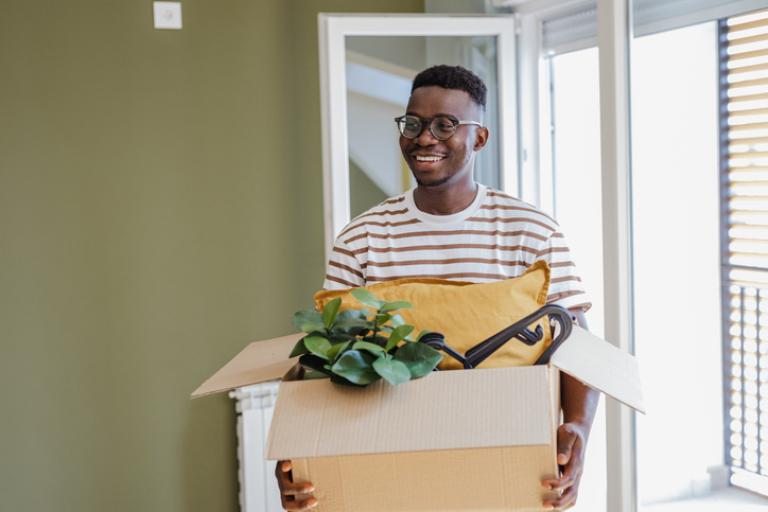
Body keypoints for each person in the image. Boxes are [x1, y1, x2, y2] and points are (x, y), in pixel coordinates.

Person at [276, 65, 599, 511]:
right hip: (388, 457)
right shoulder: (361, 238)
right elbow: (328, 357)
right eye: (413, 123)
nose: (425, 138)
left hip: (505, 453)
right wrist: (300, 453)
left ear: (479, 138)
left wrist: (579, 427)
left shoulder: (532, 232)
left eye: (445, 124)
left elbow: (577, 342)